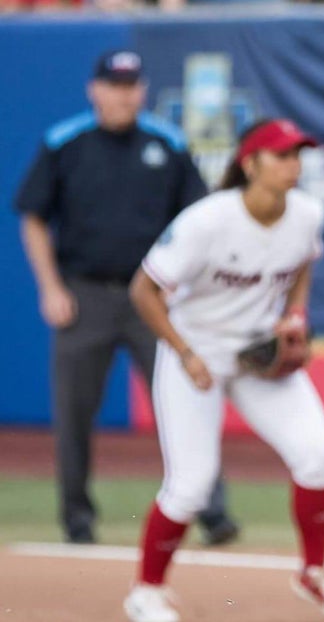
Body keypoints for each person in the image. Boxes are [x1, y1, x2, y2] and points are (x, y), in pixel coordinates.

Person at [122, 119, 324, 622]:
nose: (292, 165)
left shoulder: (306, 214)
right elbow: (143, 291)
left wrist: (294, 315)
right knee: (191, 483)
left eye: (297, 155)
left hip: (258, 353)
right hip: (197, 352)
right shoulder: (206, 222)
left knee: (319, 460)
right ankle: (146, 589)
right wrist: (184, 352)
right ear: (249, 163)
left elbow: (302, 265)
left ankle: (313, 574)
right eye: (280, 155)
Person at [13, 49, 240, 547]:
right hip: (84, 293)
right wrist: (50, 287)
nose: (123, 94)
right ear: (95, 90)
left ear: (141, 91)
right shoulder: (64, 142)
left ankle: (211, 511)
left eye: (132, 85)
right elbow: (32, 214)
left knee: (186, 402)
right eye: (114, 85)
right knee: (74, 413)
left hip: (154, 299)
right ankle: (77, 519)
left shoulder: (167, 141)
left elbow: (200, 220)